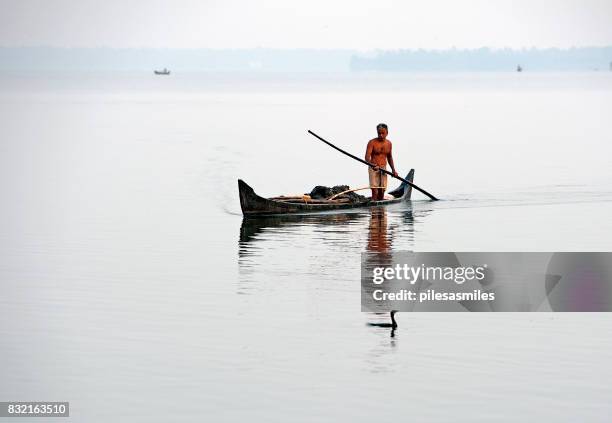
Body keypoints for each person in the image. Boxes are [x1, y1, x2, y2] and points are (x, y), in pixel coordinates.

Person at [365, 123, 398, 201]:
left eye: (383, 133)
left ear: (387, 133)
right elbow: (366, 157)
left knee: (382, 190)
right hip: (373, 168)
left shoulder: (389, 143)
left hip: (383, 168)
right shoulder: (372, 142)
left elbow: (389, 157)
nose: (381, 135)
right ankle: (374, 205)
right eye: (379, 133)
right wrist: (372, 165)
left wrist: (393, 170)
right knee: (374, 189)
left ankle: (381, 209)